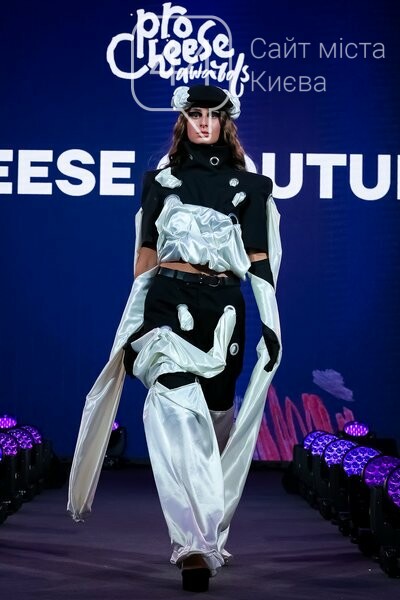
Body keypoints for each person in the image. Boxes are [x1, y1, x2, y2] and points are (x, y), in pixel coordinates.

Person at [68, 84, 282, 593]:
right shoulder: (160, 183)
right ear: (183, 120)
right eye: (196, 114)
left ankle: (208, 532)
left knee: (214, 423)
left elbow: (259, 262)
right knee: (172, 411)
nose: (204, 122)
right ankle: (191, 546)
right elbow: (145, 258)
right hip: (167, 303)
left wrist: (273, 325)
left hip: (222, 311)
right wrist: (132, 326)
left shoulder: (252, 187)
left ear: (225, 122)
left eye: (213, 115)